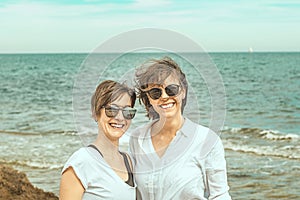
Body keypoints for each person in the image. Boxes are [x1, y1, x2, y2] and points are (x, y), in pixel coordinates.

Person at [129, 57, 231, 200]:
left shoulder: (208, 141)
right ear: (149, 100)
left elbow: (220, 195)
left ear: (182, 92)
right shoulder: (137, 138)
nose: (164, 97)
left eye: (171, 89)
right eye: (155, 93)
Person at [60, 80, 137, 200]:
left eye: (127, 111)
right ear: (95, 113)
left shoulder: (130, 162)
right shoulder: (81, 161)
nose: (120, 118)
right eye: (112, 110)